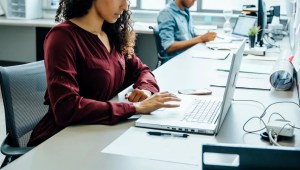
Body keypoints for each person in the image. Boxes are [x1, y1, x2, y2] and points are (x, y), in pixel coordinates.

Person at [28, 0, 181, 146]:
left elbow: (143, 71)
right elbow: (66, 108)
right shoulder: (62, 37)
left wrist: (145, 91)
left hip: (100, 131)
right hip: (61, 139)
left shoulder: (112, 35)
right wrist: (135, 108)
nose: (125, 7)